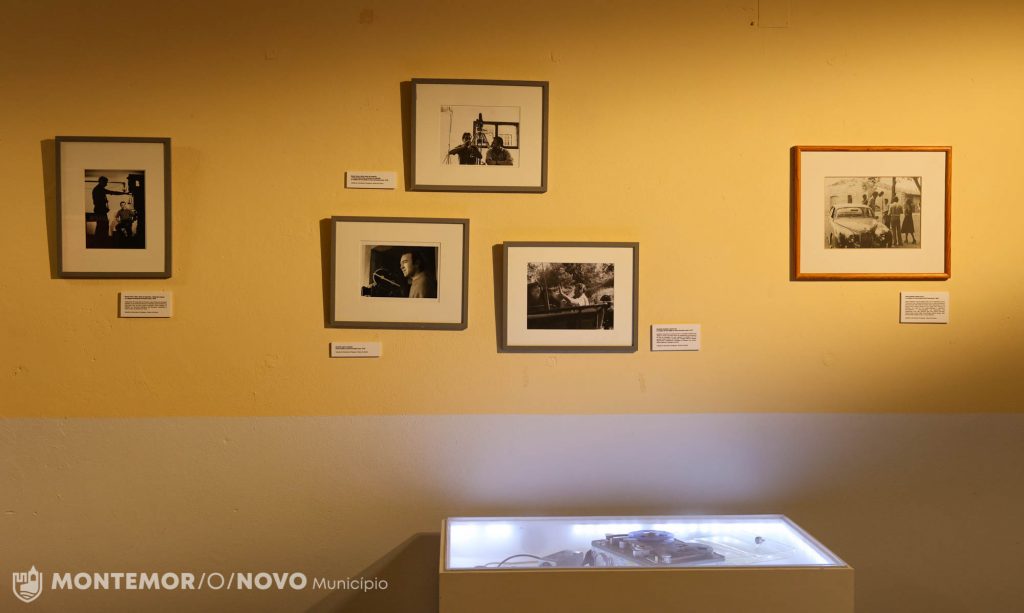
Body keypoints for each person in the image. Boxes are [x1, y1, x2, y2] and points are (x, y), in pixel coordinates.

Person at [91, 176, 126, 246]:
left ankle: (99, 242)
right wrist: (123, 193)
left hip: (100, 211)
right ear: (101, 182)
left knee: (101, 226)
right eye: (105, 182)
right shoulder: (99, 189)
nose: (106, 184)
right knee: (102, 226)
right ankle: (101, 242)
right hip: (100, 211)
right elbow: (111, 192)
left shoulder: (98, 189)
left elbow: (110, 193)